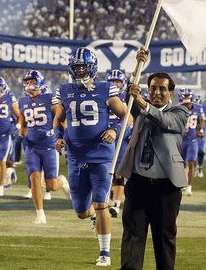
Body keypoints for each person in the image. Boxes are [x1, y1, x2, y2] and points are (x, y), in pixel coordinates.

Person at [53, 48, 127, 267]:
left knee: (101, 202)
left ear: (92, 67)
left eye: (83, 67)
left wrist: (114, 130)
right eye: (76, 67)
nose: (80, 71)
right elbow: (58, 120)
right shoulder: (65, 90)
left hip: (101, 155)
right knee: (82, 212)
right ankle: (94, 216)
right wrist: (57, 137)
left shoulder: (106, 88)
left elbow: (126, 116)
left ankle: (105, 252)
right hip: (75, 157)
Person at [117, 49, 189, 270]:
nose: (157, 93)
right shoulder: (138, 107)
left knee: (164, 239)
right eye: (153, 89)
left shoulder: (179, 111)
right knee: (132, 237)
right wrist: (138, 66)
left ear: (171, 93)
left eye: (162, 89)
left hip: (167, 188)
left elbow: (164, 121)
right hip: (138, 183)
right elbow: (130, 92)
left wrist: (142, 102)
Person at [17, 70, 70, 224]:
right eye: (26, 81)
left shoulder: (49, 98)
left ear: (39, 82)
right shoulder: (22, 101)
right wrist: (22, 133)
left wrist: (63, 136)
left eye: (31, 81)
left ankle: (63, 182)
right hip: (32, 147)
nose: (28, 84)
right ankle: (40, 214)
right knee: (34, 179)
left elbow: (61, 118)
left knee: (51, 185)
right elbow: (24, 122)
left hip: (48, 146)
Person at [106, 70, 132, 218]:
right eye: (112, 81)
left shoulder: (129, 98)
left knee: (118, 172)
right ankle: (108, 198)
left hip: (122, 138)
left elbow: (133, 118)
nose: (115, 84)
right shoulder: (103, 96)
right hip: (105, 138)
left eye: (118, 82)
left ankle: (116, 203)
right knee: (105, 171)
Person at [178, 89, 204, 196]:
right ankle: (181, 183)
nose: (186, 101)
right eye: (185, 97)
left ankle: (189, 187)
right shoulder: (178, 109)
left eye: (188, 98)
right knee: (180, 164)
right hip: (181, 140)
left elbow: (201, 120)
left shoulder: (197, 108)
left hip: (193, 140)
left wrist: (200, 129)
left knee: (192, 162)